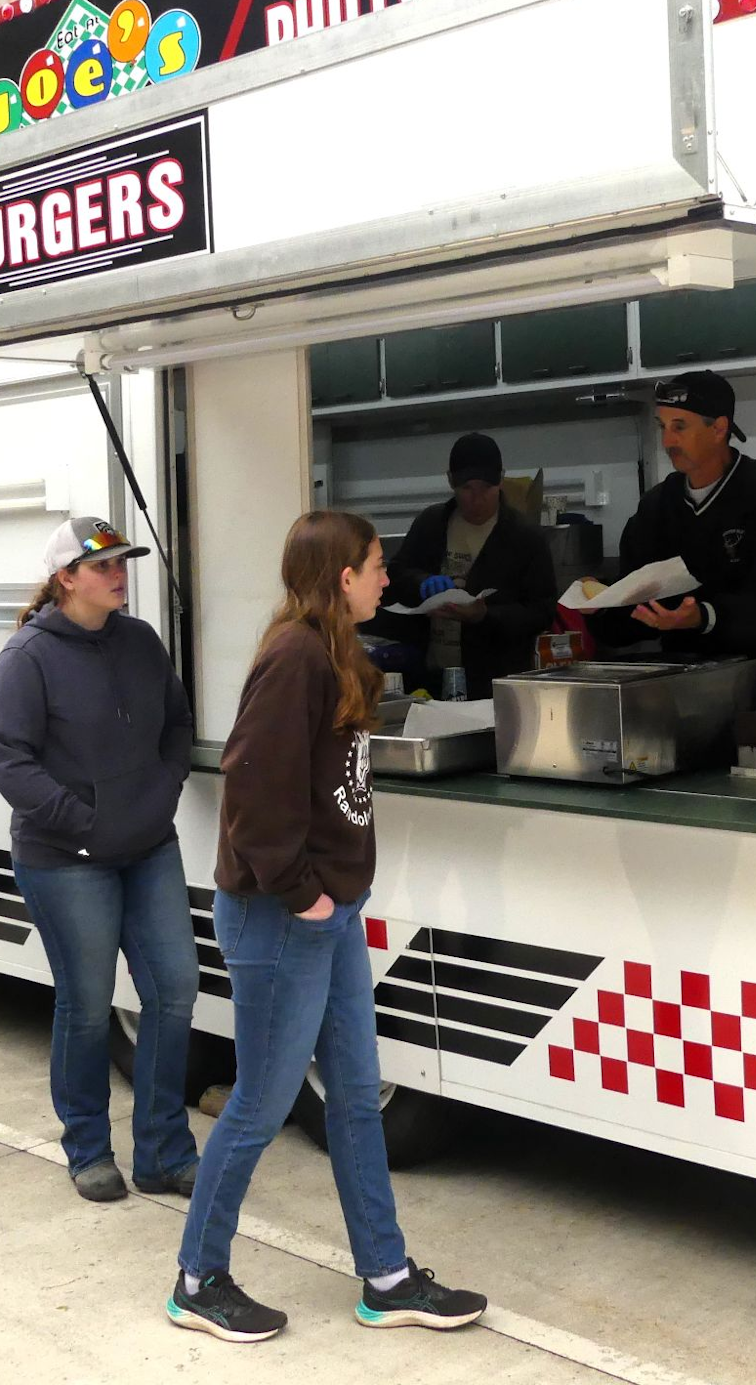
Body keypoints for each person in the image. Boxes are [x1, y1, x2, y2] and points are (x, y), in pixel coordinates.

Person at [168, 511, 486, 1343]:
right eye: (377, 566)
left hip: (329, 914)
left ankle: (385, 1277)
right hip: (284, 918)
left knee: (354, 1099)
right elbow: (250, 787)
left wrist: (332, 900)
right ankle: (198, 1279)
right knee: (260, 1107)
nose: (389, 577)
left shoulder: (335, 650)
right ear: (341, 576)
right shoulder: (295, 657)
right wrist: (301, 892)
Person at [0, 516, 200, 1203]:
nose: (118, 573)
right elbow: (8, 762)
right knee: (87, 1003)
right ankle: (87, 1147)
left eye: (122, 561)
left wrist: (162, 793)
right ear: (65, 578)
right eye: (102, 565)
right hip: (65, 858)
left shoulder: (139, 641)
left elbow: (176, 726)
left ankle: (163, 1150)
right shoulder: (27, 658)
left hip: (148, 846)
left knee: (174, 988)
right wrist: (84, 822)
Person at [607, 370, 756, 706]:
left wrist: (705, 615)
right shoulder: (658, 506)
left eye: (680, 426)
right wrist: (604, 604)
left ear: (719, 428)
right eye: (662, 427)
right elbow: (634, 597)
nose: (667, 441)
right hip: (687, 686)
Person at [367, 432, 558, 696]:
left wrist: (485, 616)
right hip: (429, 675)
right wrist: (421, 583)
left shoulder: (525, 538)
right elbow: (396, 577)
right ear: (450, 481)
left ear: (501, 479)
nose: (477, 498)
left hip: (494, 679)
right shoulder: (431, 523)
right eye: (467, 488)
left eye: (486, 488)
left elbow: (542, 611)